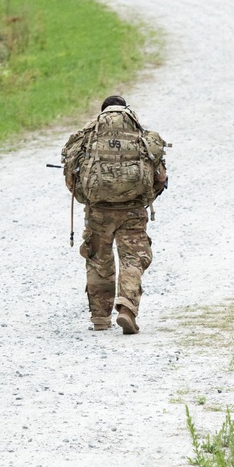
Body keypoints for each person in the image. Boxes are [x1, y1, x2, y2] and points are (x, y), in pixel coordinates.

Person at [61, 96, 168, 334]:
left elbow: (71, 178)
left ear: (102, 113)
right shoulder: (143, 138)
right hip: (132, 211)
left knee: (99, 260)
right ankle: (127, 309)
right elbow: (159, 178)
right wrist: (144, 199)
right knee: (133, 259)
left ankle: (100, 318)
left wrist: (88, 198)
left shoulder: (86, 138)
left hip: (98, 212)